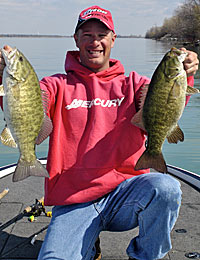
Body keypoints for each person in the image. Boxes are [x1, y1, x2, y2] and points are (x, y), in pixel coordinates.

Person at [0, 5, 199, 260]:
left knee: (166, 188)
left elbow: (165, 106)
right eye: (87, 35)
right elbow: (23, 107)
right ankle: (89, 244)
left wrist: (187, 75)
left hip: (126, 196)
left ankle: (144, 256)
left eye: (101, 35)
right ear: (76, 40)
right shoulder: (54, 85)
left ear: (113, 39)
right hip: (74, 202)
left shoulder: (135, 85)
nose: (95, 42)